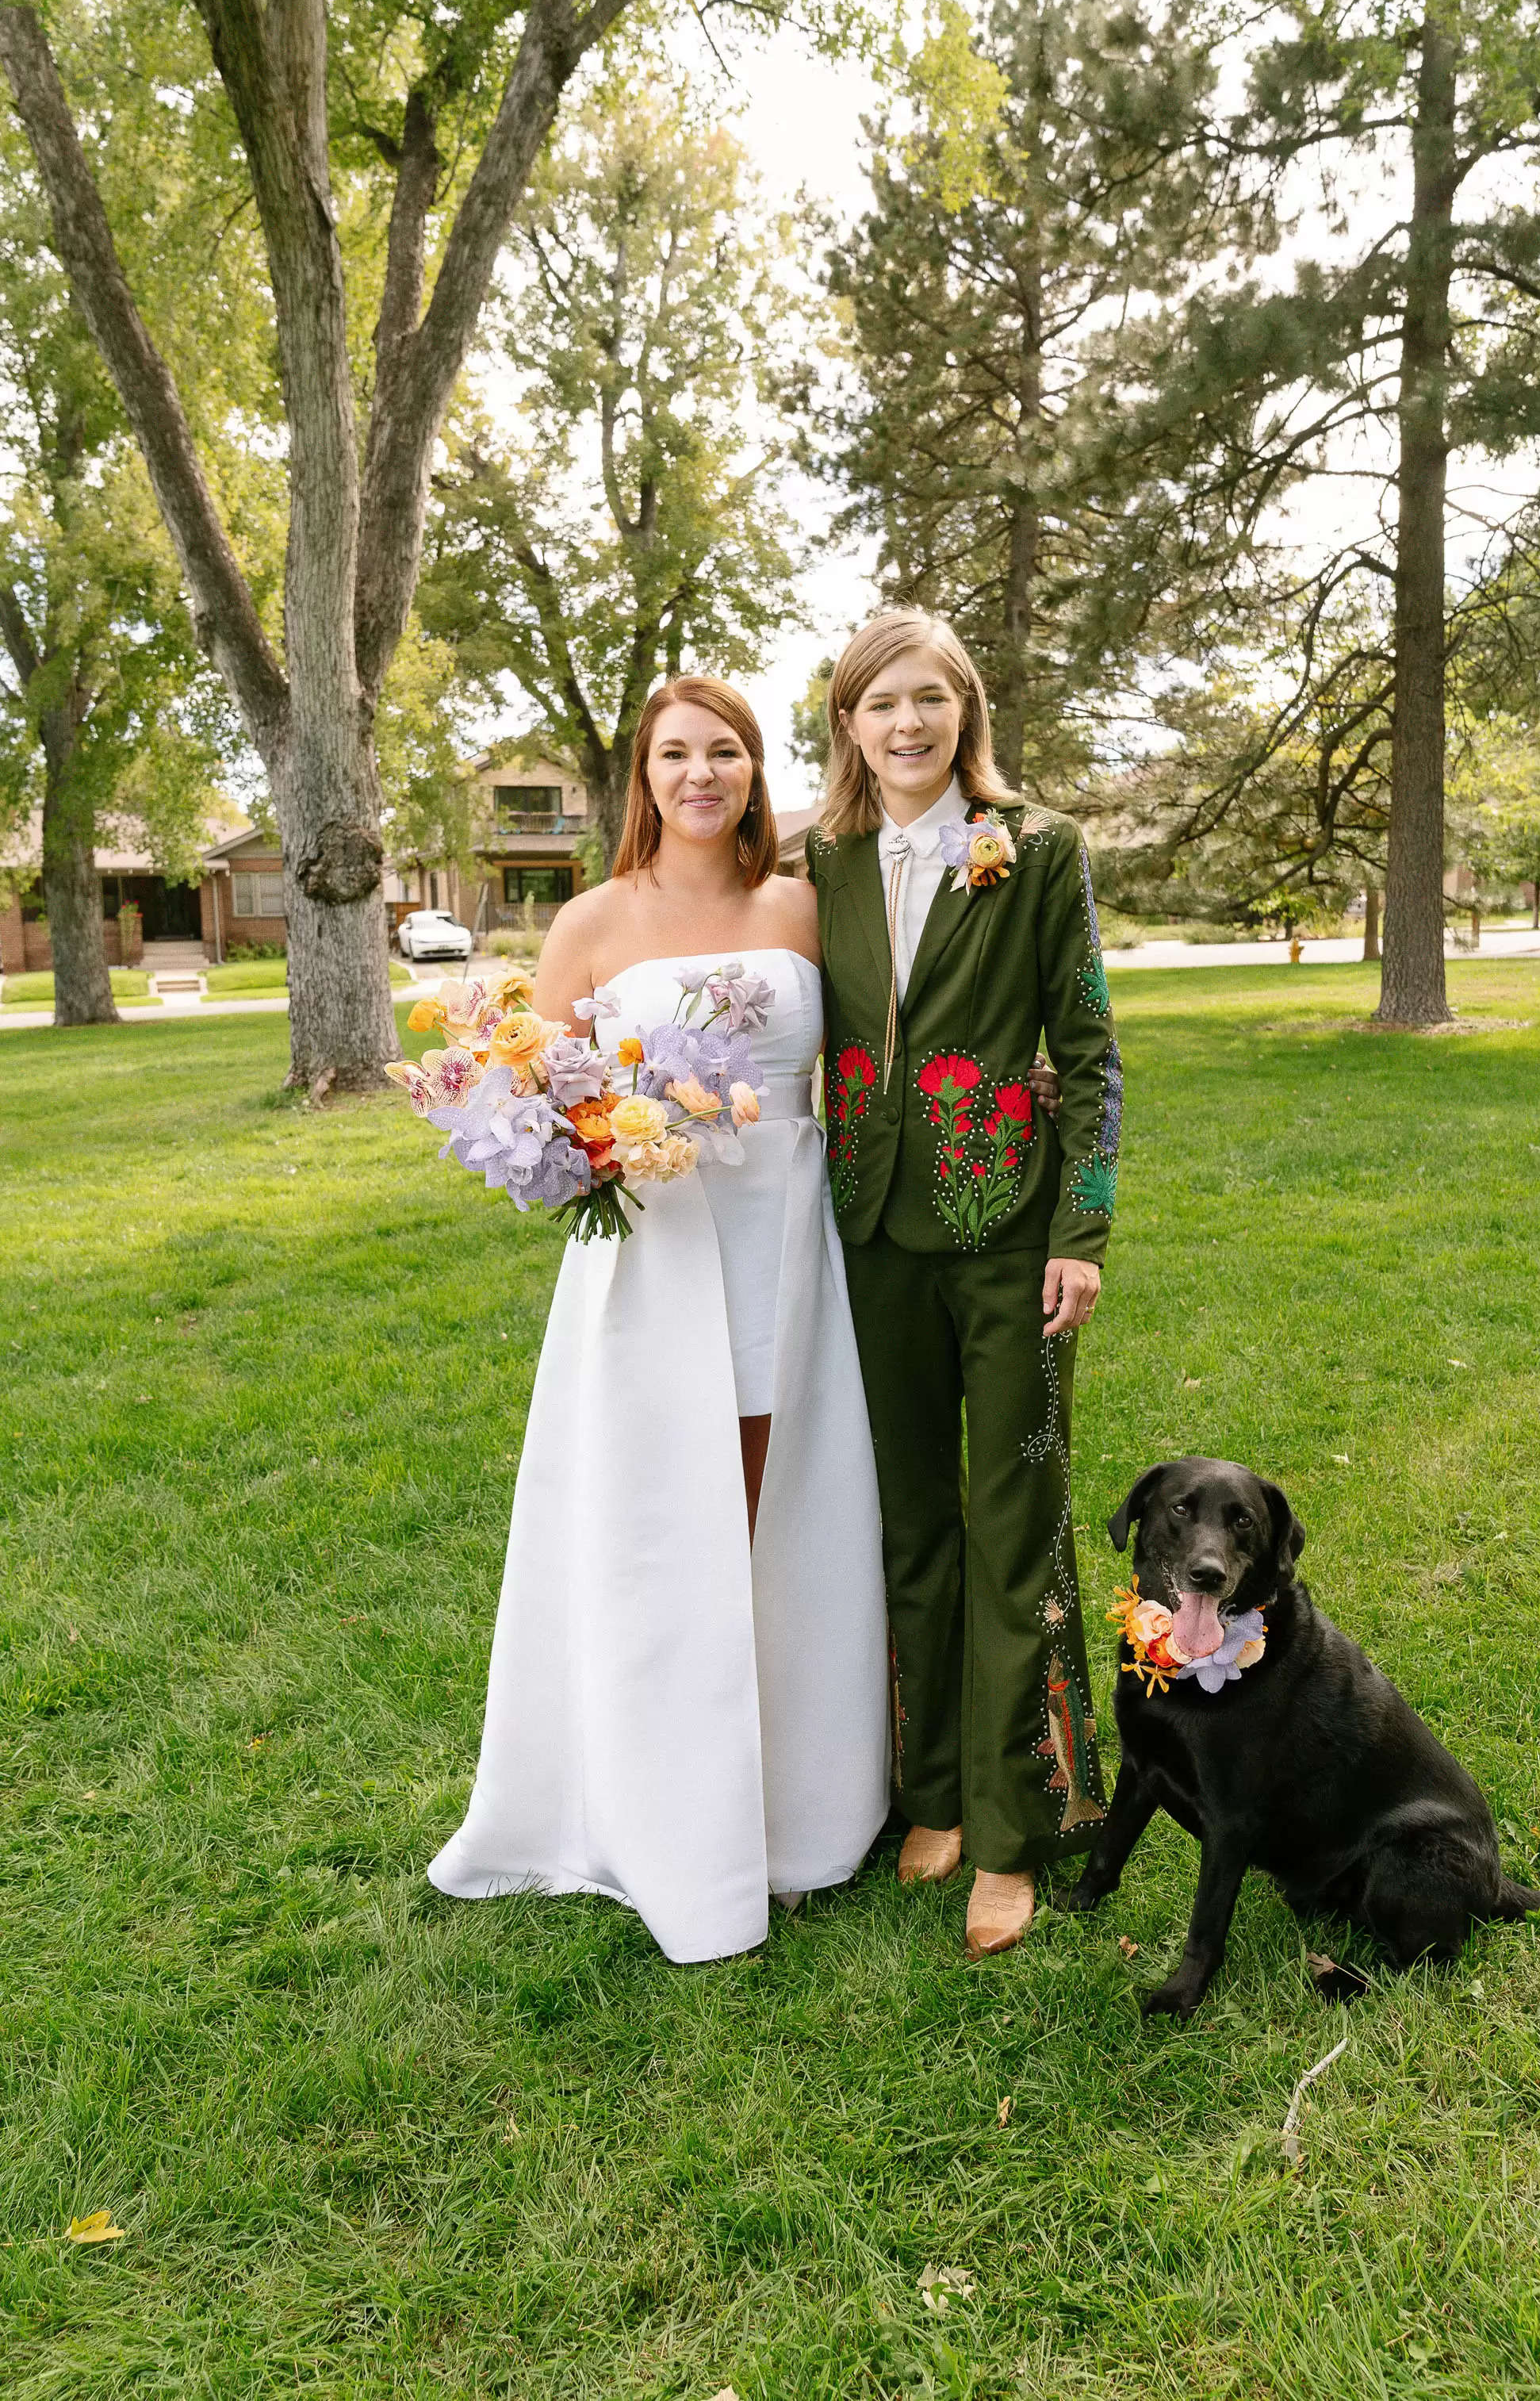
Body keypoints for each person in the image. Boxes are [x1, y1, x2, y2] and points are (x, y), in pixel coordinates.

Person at [428, 676, 889, 1963]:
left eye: (726, 751)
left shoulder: (805, 903)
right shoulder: (590, 921)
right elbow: (546, 1086)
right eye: (677, 753)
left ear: (754, 770)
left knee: (776, 1511)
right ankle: (666, 1811)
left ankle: (795, 1804)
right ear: (644, 775)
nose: (702, 772)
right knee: (663, 1521)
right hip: (655, 1260)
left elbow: (877, 1054)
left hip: (788, 1246)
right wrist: (585, 1147)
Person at [807, 610, 1122, 1960]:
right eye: (883, 704)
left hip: (1007, 1234)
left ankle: (1012, 1824)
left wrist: (1082, 1231)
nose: (909, 726)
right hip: (867, 1234)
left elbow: (1093, 1053)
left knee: (1013, 1521)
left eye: (931, 700)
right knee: (908, 1524)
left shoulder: (1038, 851)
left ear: (967, 711)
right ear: (849, 725)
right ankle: (926, 1789)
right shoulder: (818, 861)